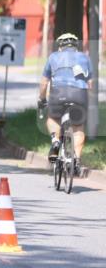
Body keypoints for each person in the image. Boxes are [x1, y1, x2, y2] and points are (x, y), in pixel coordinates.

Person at [39, 32, 91, 169]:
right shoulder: (84, 58)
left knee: (53, 119)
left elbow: (44, 83)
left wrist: (42, 99)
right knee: (78, 128)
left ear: (60, 47)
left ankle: (55, 142)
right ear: (76, 46)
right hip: (79, 95)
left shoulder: (53, 57)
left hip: (58, 94)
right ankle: (76, 161)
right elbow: (90, 83)